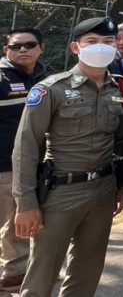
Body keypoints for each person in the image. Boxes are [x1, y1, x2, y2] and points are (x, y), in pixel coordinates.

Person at [13, 17, 123, 297]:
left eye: (108, 41)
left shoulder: (117, 88)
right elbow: (26, 147)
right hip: (60, 192)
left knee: (87, 274)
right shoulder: (51, 89)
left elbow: (122, 141)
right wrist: (25, 203)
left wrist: (122, 185)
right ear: (76, 48)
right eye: (92, 41)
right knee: (42, 276)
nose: (101, 46)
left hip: (103, 190)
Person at [0, 29, 47, 290]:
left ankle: (14, 274)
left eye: (29, 45)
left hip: (31, 166)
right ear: (6, 50)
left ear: (41, 48)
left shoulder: (44, 79)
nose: (22, 50)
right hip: (2, 167)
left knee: (19, 221)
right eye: (15, 46)